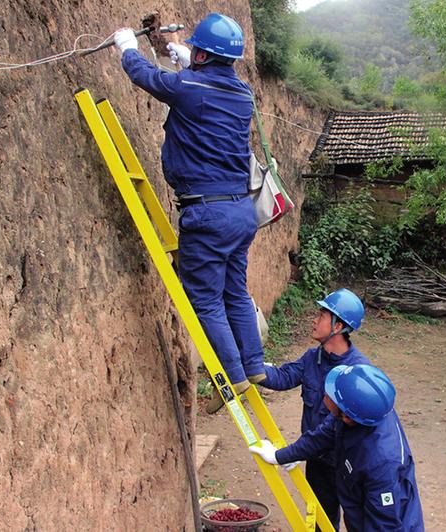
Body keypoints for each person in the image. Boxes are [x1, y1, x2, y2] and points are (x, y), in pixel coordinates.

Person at [112, 14, 266, 413]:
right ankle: (253, 366)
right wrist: (186, 58)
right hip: (240, 213)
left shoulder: (192, 88)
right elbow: (202, 84)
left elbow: (150, 78)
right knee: (234, 293)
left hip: (208, 215)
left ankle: (231, 377)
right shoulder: (243, 94)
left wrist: (128, 47)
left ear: (201, 53)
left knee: (206, 301)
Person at [251, 364, 424, 532]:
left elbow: (383, 524)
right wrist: (280, 456)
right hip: (359, 511)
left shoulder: (381, 462)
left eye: (331, 393)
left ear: (348, 415)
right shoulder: (358, 412)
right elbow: (321, 437)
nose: (325, 392)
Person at [260, 288, 370, 530]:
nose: (314, 319)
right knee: (322, 519)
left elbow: (336, 430)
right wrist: (255, 369)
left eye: (321, 315)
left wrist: (292, 453)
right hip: (317, 459)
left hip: (347, 463)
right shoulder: (313, 358)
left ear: (338, 327)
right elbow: (283, 377)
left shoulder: (358, 372)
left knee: (357, 523)